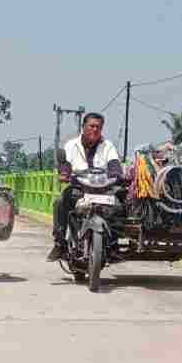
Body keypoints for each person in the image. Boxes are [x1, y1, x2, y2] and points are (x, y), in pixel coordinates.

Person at [46, 112, 122, 261]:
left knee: (120, 205)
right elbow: (66, 164)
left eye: (98, 127)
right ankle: (59, 243)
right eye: (92, 126)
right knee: (60, 203)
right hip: (79, 189)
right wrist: (64, 173)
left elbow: (114, 163)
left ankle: (113, 244)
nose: (95, 129)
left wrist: (117, 173)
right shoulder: (71, 145)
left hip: (103, 190)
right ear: (83, 127)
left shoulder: (108, 145)